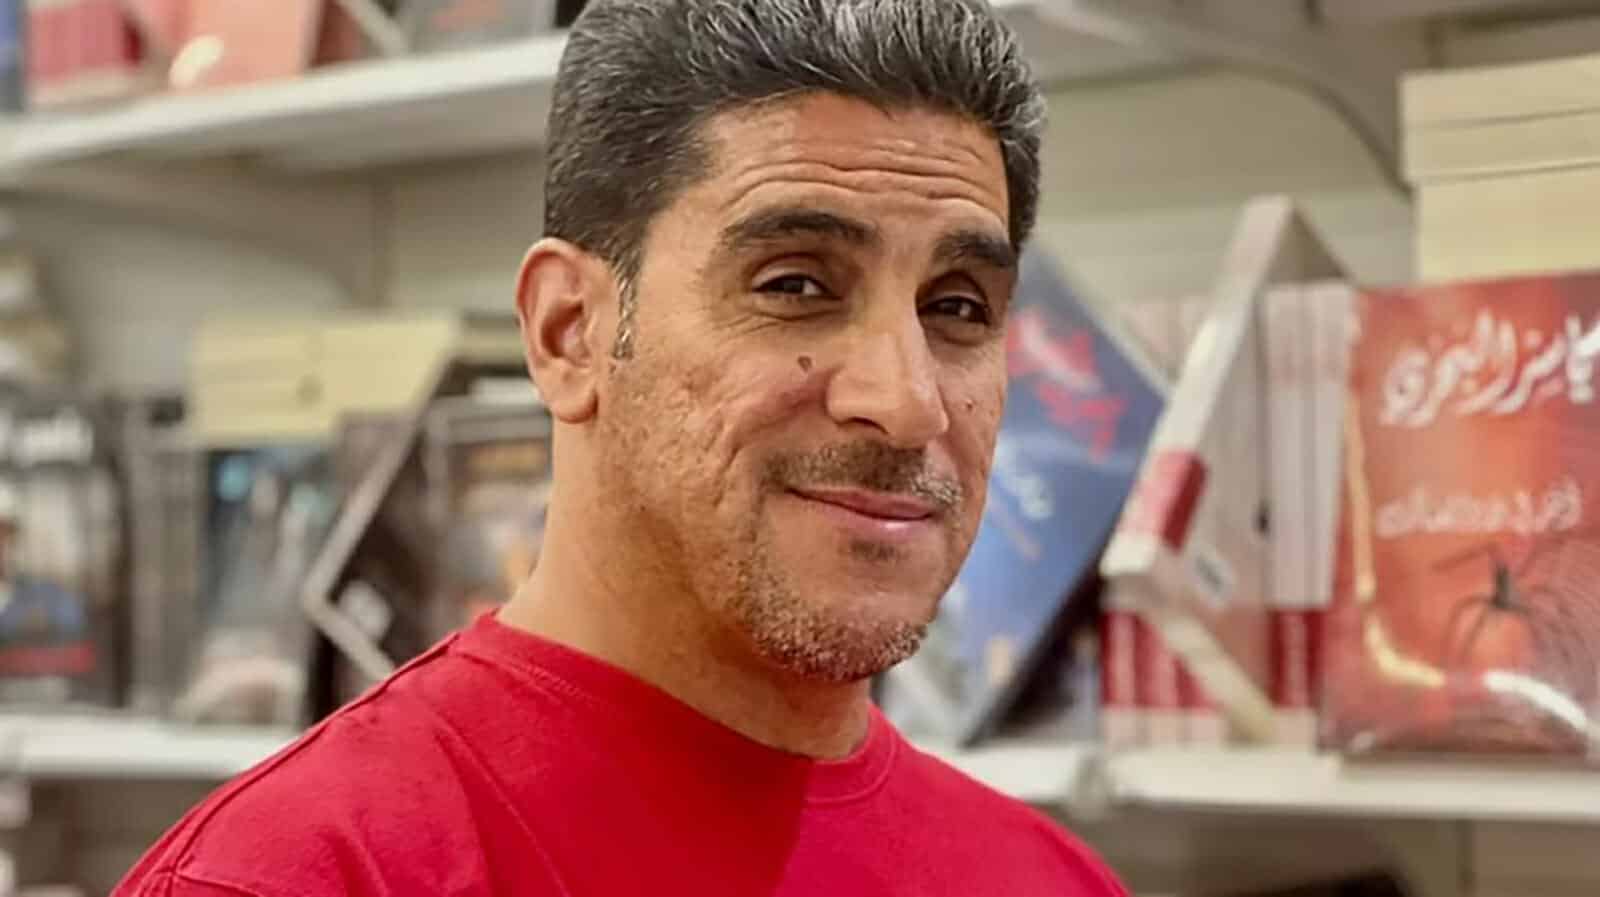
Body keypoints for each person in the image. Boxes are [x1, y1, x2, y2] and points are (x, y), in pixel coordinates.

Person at [116, 1, 1129, 894]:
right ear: (570, 332)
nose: (905, 403)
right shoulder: (287, 877)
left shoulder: (1053, 880)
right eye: (794, 285)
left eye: (958, 307)